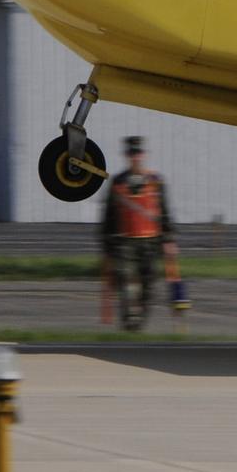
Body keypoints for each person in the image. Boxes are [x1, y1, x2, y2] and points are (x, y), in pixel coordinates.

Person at [100, 135, 176, 331]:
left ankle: (140, 319)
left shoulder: (155, 182)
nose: (135, 157)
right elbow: (109, 216)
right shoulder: (118, 183)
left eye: (138, 153)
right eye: (131, 153)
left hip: (150, 242)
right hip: (126, 242)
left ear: (143, 155)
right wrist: (107, 246)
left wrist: (169, 239)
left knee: (148, 283)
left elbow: (164, 212)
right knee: (126, 281)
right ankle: (128, 321)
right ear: (126, 156)